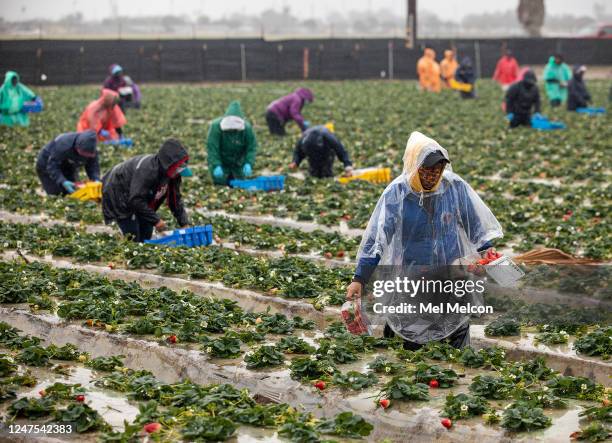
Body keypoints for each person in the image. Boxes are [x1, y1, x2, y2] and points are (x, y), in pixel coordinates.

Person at [345, 131, 503, 350]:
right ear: (413, 165)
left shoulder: (454, 187)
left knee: (453, 331)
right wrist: (359, 278)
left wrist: (487, 252)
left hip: (450, 275)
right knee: (408, 335)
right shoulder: (397, 193)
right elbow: (376, 239)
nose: (432, 176)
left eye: (437, 171)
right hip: (412, 277)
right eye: (426, 170)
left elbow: (474, 224)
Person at [102, 139, 192, 243]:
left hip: (139, 196)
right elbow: (136, 200)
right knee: (133, 237)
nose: (179, 171)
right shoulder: (147, 171)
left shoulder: (174, 174)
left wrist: (184, 223)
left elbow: (175, 200)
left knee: (146, 236)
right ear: (169, 164)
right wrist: (156, 220)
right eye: (178, 167)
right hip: (117, 190)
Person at [207, 100, 257, 185]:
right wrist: (216, 165)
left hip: (237, 164)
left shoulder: (247, 129)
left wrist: (248, 163)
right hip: (221, 163)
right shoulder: (216, 127)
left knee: (239, 184)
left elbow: (251, 148)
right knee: (219, 183)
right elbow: (212, 148)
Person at [36, 131, 99, 196]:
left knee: (73, 192)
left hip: (68, 165)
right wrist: (63, 181)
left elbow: (93, 166)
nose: (85, 157)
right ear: (77, 147)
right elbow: (52, 166)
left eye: (88, 155)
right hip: (46, 165)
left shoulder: (92, 150)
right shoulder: (64, 145)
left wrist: (95, 179)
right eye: (83, 154)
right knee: (55, 193)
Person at [288, 123, 353, 178]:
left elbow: (341, 151)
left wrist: (348, 167)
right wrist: (295, 162)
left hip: (326, 151)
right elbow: (297, 152)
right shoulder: (303, 140)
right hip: (312, 155)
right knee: (314, 173)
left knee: (326, 171)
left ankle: (327, 174)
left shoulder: (329, 137)